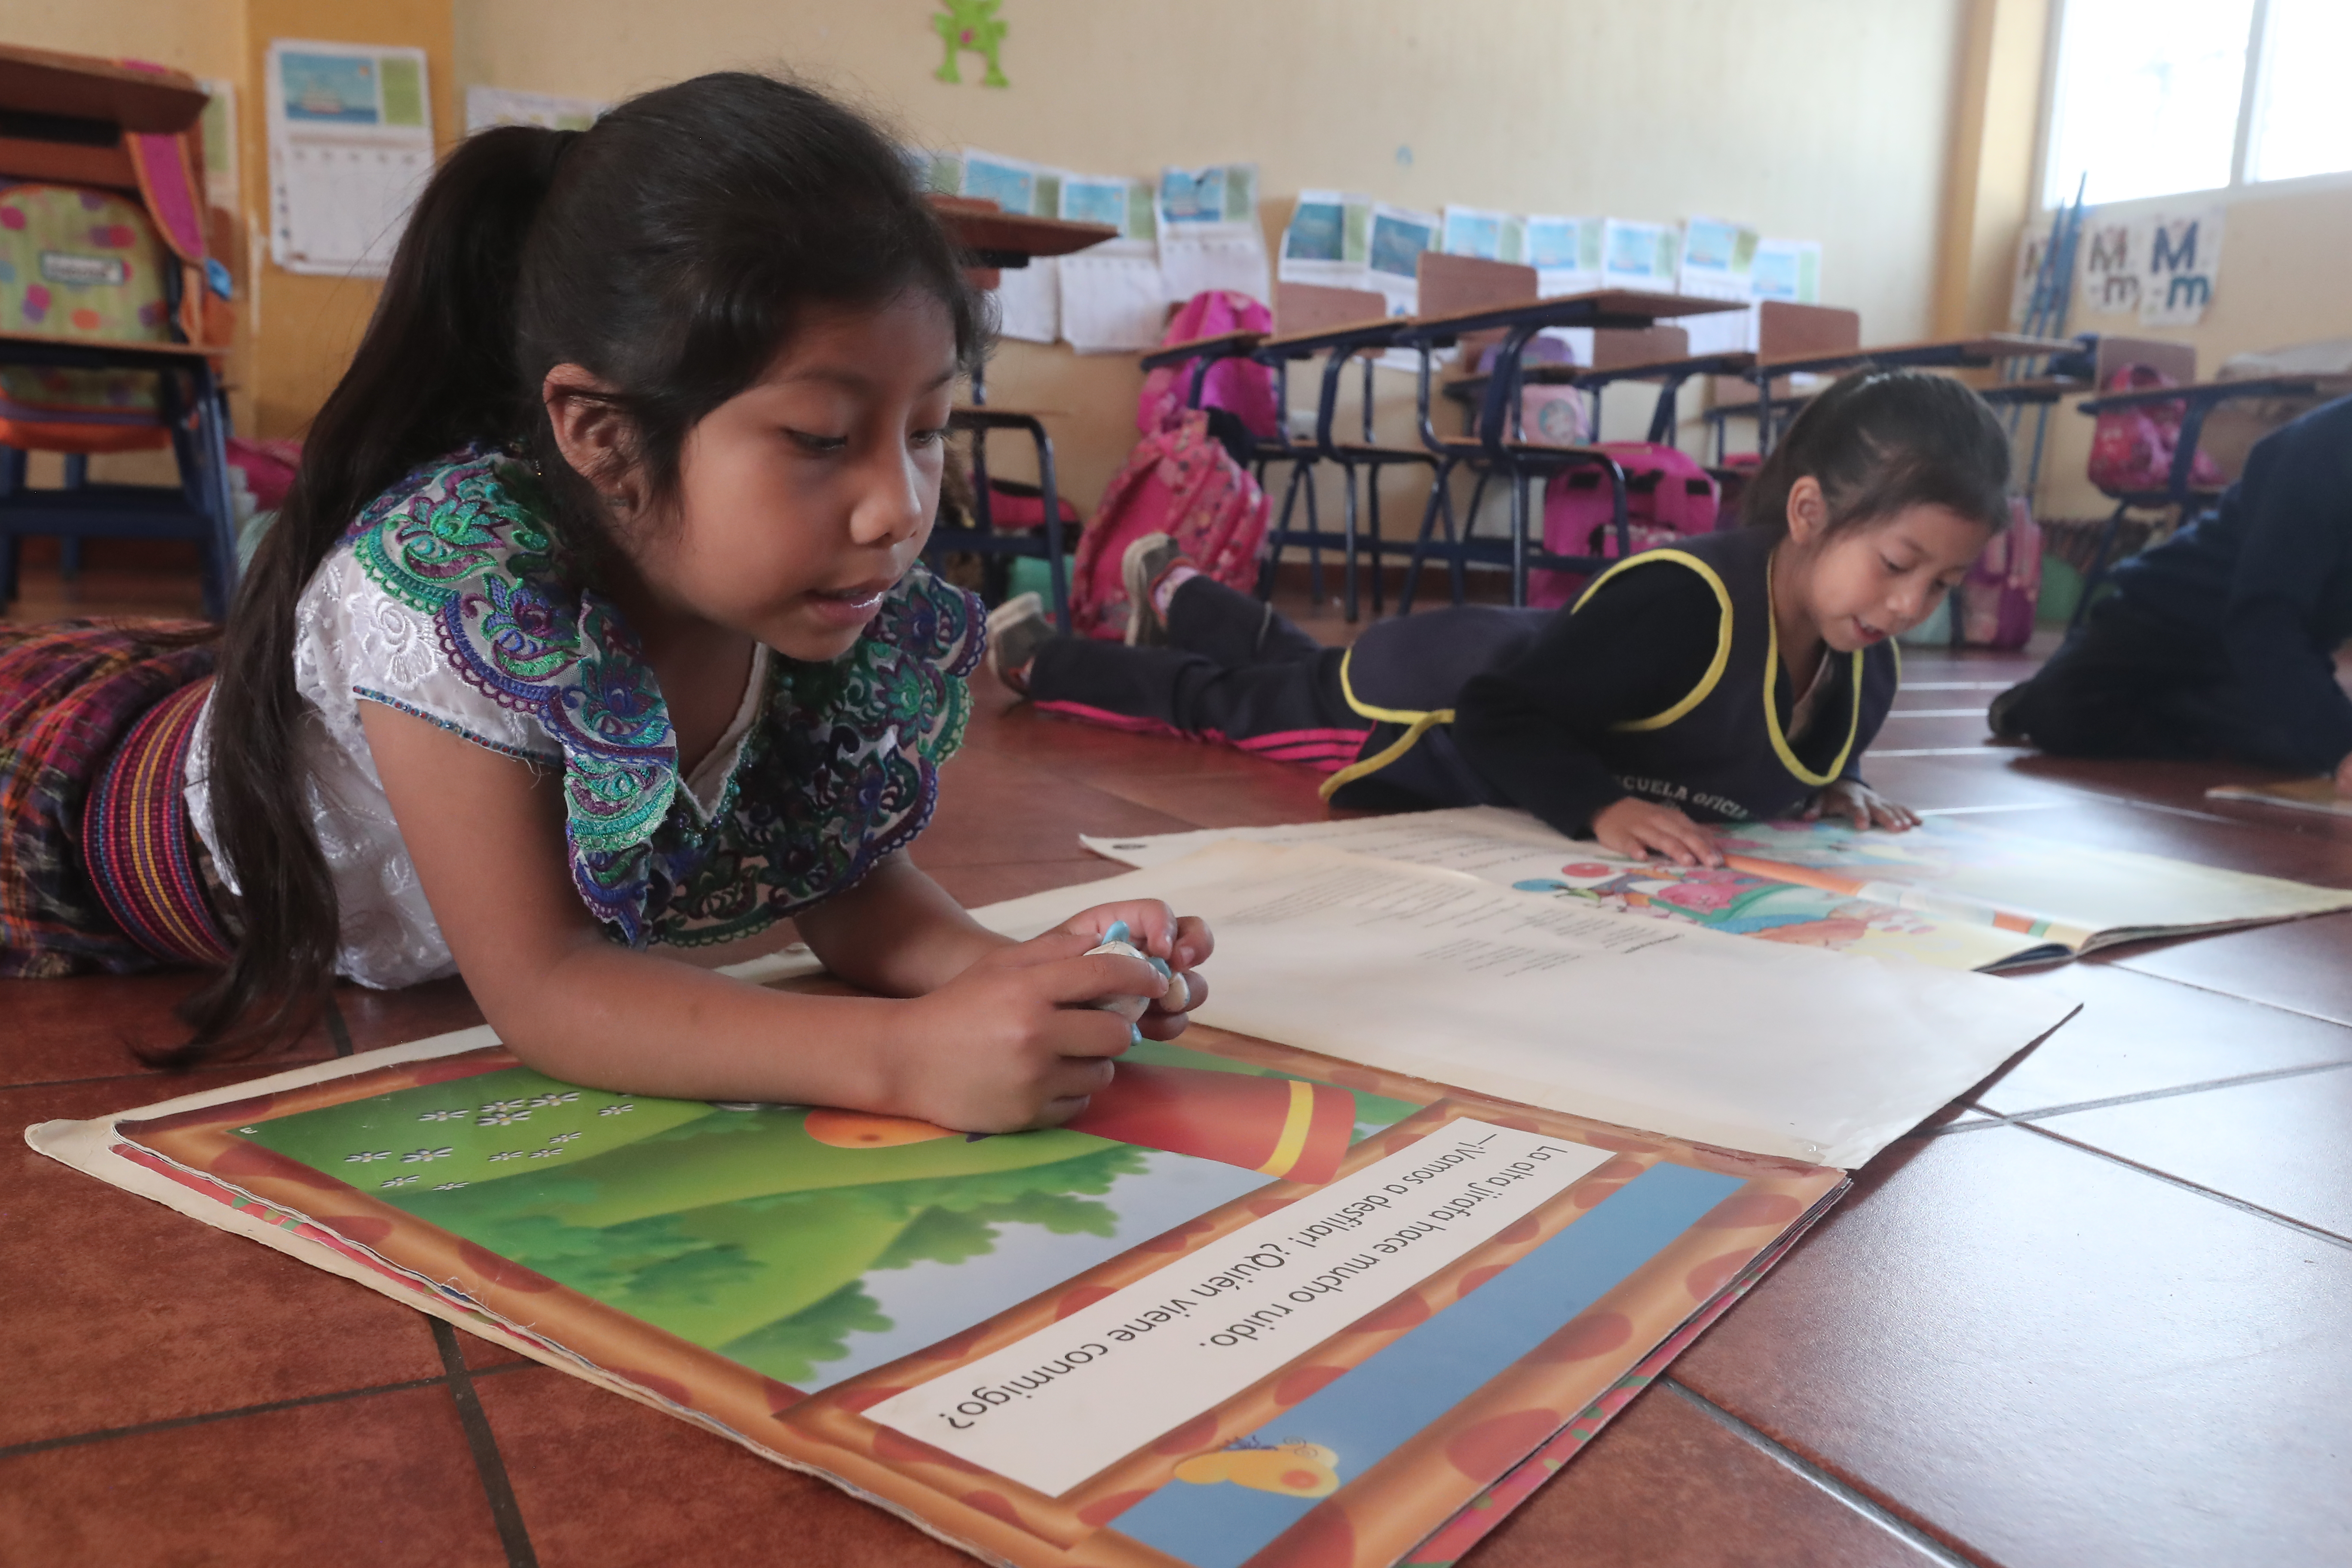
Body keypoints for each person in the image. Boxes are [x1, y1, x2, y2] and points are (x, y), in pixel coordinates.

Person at [0, 74, 1210, 1132]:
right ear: (600, 429)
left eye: (932, 429)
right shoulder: (454, 596)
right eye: (820, 436)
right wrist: (901, 1059)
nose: (895, 507)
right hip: (66, 806)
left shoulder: (811, 596)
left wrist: (1025, 974)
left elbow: (841, 886)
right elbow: (550, 989)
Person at [991, 370, 2013, 867]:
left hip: (1517, 659)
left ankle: (1175, 590)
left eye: (1940, 584)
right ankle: (1047, 663)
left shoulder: (1858, 662)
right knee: (1236, 704)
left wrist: (1838, 779)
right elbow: (1495, 712)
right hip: (1426, 701)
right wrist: (1599, 809)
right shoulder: (1678, 605)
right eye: (1895, 566)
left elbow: (1769, 743)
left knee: (1289, 664)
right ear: (1808, 512)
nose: (1909, 606)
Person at [1989, 393, 2352, 791]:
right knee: (2059, 713)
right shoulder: (2320, 452)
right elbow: (2263, 621)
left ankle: (2192, 711)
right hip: (2166, 618)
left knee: (2295, 744)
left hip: (2260, 656)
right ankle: (2059, 692)